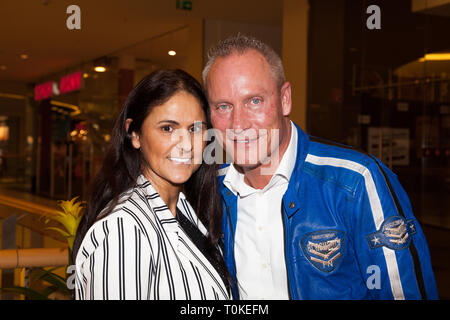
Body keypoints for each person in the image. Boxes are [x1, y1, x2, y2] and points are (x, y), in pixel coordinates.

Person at [203, 34, 438, 300]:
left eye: (254, 101)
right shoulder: (207, 191)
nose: (239, 123)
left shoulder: (356, 181)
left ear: (285, 99)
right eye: (223, 106)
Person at [72, 69, 231, 300]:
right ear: (134, 134)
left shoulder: (187, 213)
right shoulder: (124, 231)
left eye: (195, 129)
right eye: (167, 128)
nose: (186, 145)